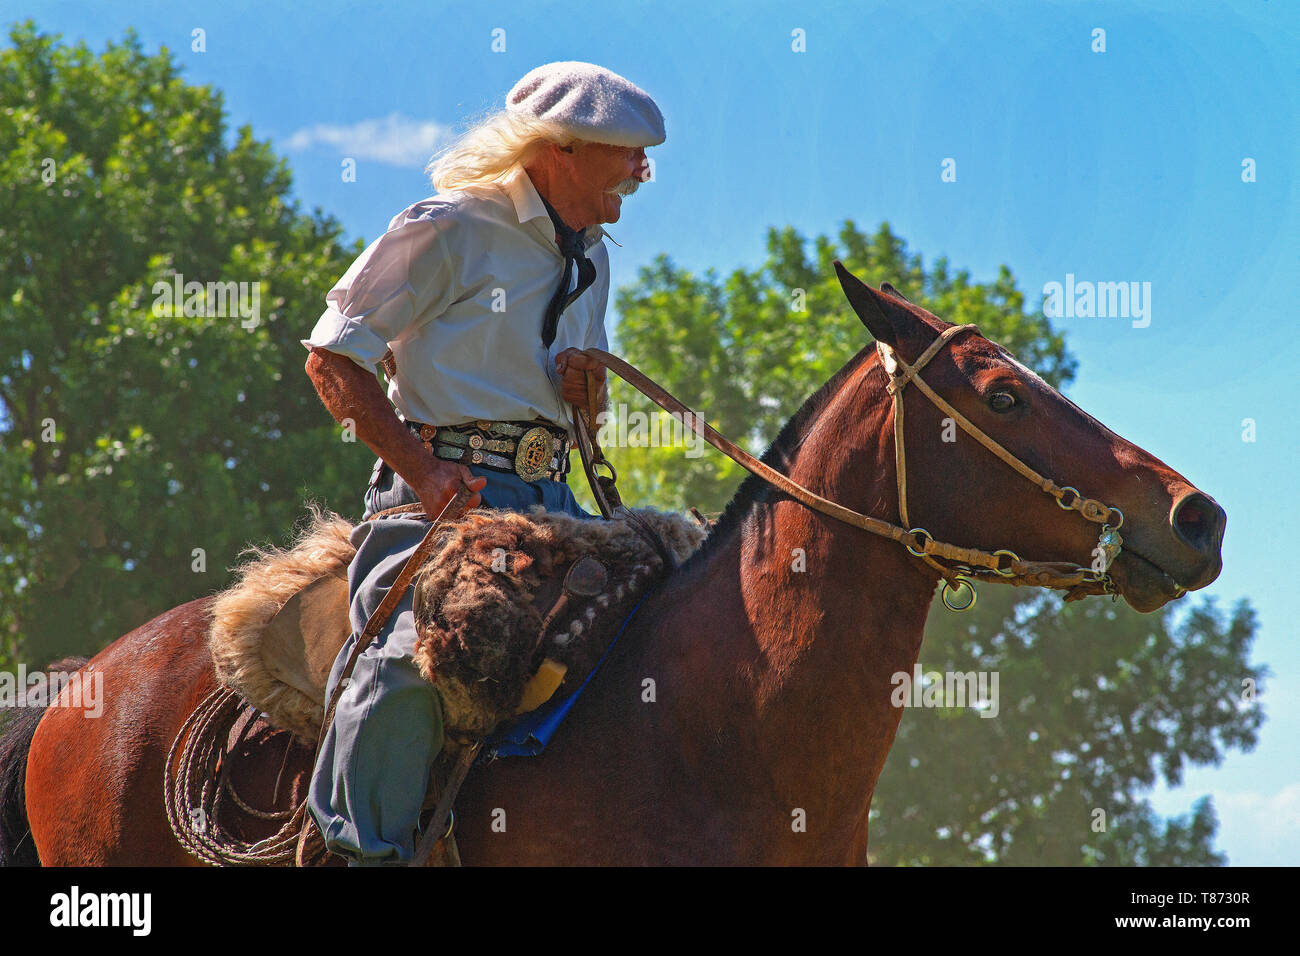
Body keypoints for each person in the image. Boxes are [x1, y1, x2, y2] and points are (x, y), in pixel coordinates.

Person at [299, 61, 665, 865]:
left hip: (556, 504)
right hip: (439, 503)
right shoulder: (449, 227)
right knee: (410, 667)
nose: (644, 171)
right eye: (629, 153)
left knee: (663, 640)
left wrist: (584, 395)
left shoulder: (596, 258)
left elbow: (565, 406)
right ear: (562, 148)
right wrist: (425, 477)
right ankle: (358, 855)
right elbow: (333, 359)